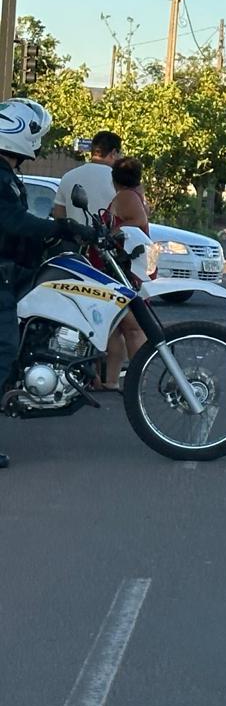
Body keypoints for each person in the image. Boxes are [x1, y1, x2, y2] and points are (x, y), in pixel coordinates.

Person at [0, 99, 96, 468]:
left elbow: (18, 227)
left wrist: (56, 240)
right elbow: (11, 223)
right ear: (19, 132)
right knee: (3, 350)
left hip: (12, 271)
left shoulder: (7, 174)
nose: (39, 141)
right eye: (36, 132)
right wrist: (60, 227)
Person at [98, 157, 149, 392]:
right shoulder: (135, 194)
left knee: (132, 328)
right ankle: (110, 379)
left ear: (114, 178)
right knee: (113, 328)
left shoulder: (126, 197)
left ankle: (137, 379)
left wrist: (111, 233)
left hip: (124, 269)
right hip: (122, 267)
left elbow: (138, 222)